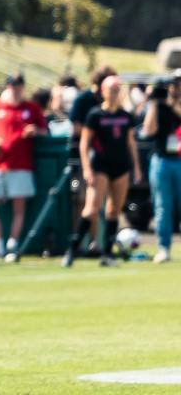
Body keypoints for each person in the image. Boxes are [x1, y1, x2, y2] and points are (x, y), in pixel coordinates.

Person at [67, 74, 140, 268]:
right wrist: (87, 169)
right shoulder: (95, 115)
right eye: (111, 90)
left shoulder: (125, 116)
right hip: (100, 165)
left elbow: (131, 143)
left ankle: (107, 253)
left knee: (114, 210)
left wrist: (137, 168)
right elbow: (84, 144)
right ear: (103, 92)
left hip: (121, 166)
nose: (115, 94)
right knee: (91, 208)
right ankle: (73, 249)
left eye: (117, 90)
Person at [0, 73, 44, 261]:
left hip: (22, 164)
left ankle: (12, 245)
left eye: (19, 86)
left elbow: (44, 130)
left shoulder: (31, 108)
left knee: (19, 207)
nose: (15, 89)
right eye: (12, 86)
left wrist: (35, 131)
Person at [142, 76, 181, 264]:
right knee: (163, 206)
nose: (175, 88)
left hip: (179, 160)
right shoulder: (159, 106)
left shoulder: (175, 106)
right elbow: (148, 130)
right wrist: (154, 103)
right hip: (163, 160)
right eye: (173, 85)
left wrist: (173, 103)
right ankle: (163, 247)